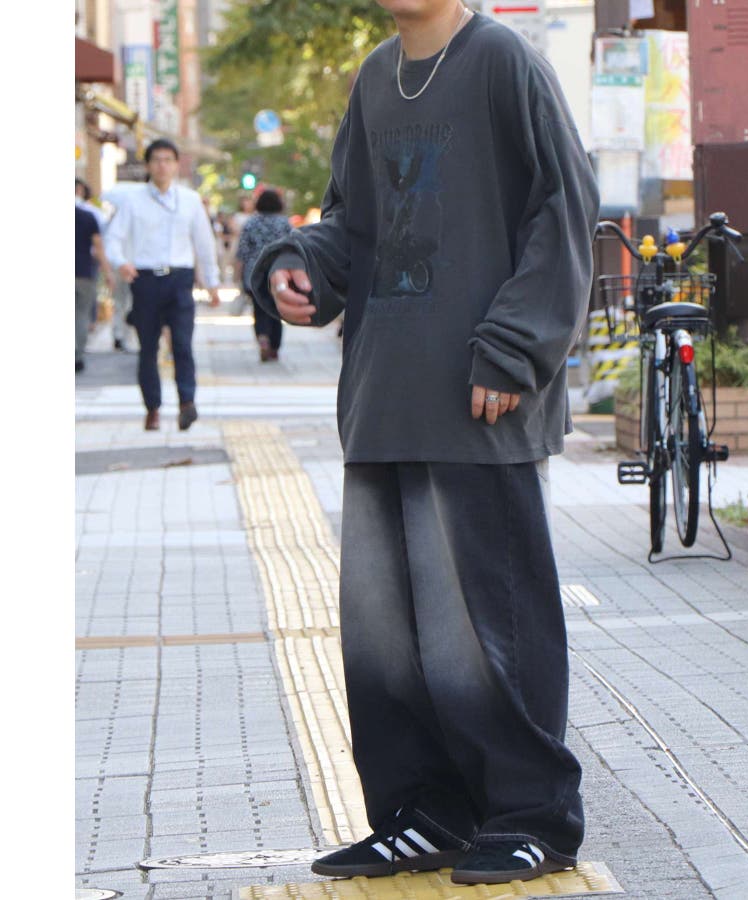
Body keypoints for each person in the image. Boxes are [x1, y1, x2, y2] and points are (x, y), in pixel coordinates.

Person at [249, 1, 599, 887]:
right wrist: (296, 265)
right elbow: (354, 223)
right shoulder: (374, 79)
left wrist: (514, 349)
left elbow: (564, 209)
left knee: (488, 628)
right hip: (384, 398)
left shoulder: (503, 62)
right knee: (389, 640)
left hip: (480, 399)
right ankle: (425, 813)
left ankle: (532, 816)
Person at [104, 139, 221, 431]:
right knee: (148, 347)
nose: (162, 165)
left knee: (182, 343)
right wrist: (121, 262)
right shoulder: (133, 201)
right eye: (156, 160)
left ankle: (187, 402)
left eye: (168, 160)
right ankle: (152, 408)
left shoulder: (190, 200)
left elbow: (204, 243)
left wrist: (212, 282)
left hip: (180, 278)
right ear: (148, 165)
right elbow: (113, 238)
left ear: (176, 164)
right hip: (145, 279)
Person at [234, 189, 292, 361]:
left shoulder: (251, 223)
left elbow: (243, 252)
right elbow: (292, 247)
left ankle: (263, 337)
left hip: (254, 272)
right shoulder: (284, 223)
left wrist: (237, 275)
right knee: (277, 309)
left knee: (259, 307)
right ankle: (274, 346)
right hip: (279, 270)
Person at [75, 204, 114, 372]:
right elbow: (98, 247)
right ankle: (77, 355)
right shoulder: (87, 217)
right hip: (84, 272)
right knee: (81, 315)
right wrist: (108, 272)